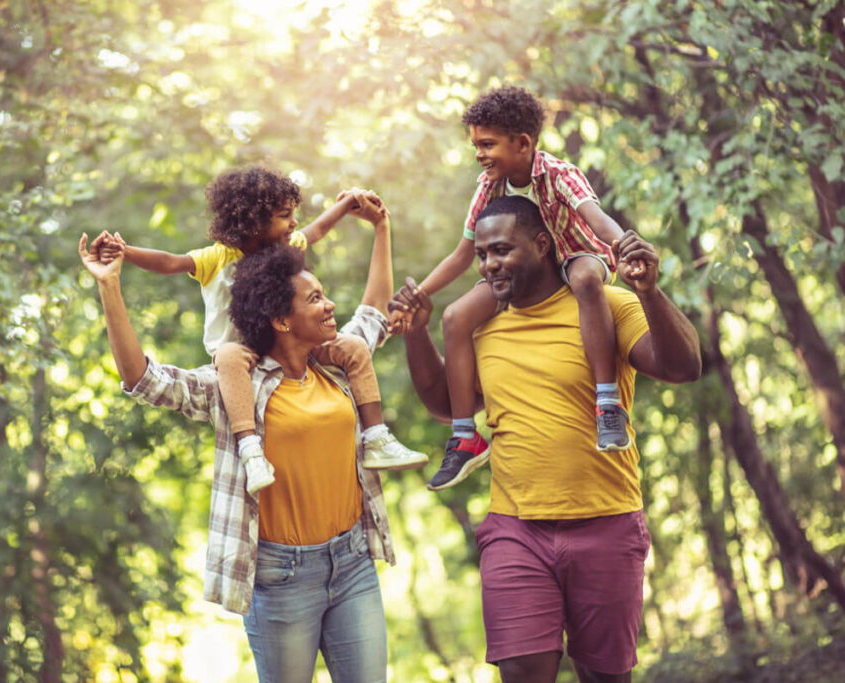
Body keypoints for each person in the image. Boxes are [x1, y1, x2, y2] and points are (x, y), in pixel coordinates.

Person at [390, 196, 701, 683]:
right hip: (517, 529)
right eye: (483, 255)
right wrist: (415, 333)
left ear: (541, 245)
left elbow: (683, 367)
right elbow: (449, 406)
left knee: (605, 676)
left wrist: (650, 293)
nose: (489, 265)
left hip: (607, 521)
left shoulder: (605, 305)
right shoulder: (481, 325)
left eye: (501, 251)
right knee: (520, 671)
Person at [80, 221, 400, 682]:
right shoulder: (234, 387)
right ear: (281, 320)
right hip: (281, 576)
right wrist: (110, 285)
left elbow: (374, 313)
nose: (330, 305)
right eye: (315, 299)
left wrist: (382, 230)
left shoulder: (340, 365)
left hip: (352, 564)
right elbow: (143, 380)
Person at [98, 166, 426, 494]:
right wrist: (123, 256)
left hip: (285, 349)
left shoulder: (289, 255)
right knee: (230, 356)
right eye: (285, 215)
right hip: (237, 359)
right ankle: (250, 449)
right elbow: (170, 263)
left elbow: (320, 231)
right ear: (254, 221)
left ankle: (377, 437)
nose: (294, 223)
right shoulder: (219, 257)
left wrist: (355, 207)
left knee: (353, 346)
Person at [401, 85, 639, 491]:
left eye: (487, 144)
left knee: (583, 279)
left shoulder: (558, 174)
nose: (479, 153)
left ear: (523, 143)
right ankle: (464, 436)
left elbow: (594, 218)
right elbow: (462, 255)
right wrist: (416, 296)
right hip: (521, 272)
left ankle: (606, 403)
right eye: (475, 144)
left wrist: (625, 247)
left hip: (579, 255)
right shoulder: (489, 185)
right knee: (457, 317)